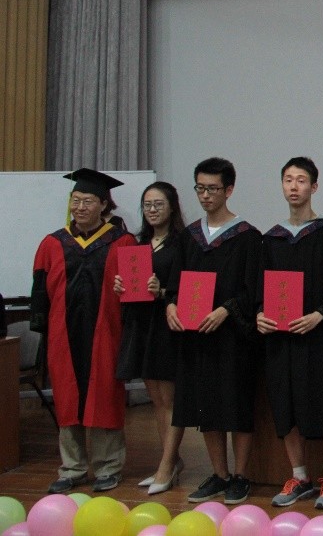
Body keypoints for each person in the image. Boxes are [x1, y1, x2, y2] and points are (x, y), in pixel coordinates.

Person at [257, 157, 323, 510]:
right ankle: (299, 476)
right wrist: (260, 315)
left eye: (301, 180)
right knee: (286, 404)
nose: (294, 186)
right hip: (282, 338)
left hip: (319, 337)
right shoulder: (272, 239)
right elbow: (260, 289)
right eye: (288, 180)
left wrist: (319, 316)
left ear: (314, 187)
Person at [31, 169, 136, 494]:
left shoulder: (123, 242)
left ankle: (108, 467)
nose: (79, 207)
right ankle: (72, 468)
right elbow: (40, 293)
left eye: (87, 201)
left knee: (104, 396)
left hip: (107, 334)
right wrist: (44, 333)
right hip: (63, 335)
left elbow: (134, 294)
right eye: (75, 200)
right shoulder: (52, 243)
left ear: (104, 204)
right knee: (67, 397)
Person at [166, 157, 261, 505]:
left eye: (213, 189)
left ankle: (241, 475)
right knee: (206, 406)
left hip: (233, 337)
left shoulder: (247, 237)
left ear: (229, 190)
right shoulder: (190, 237)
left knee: (236, 406)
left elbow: (254, 289)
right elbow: (175, 283)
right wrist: (171, 305)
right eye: (200, 188)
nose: (205, 195)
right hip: (198, 336)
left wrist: (226, 310)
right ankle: (219, 474)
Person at [113, 181, 188, 495]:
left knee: (170, 401)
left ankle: (166, 467)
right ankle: (171, 461)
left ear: (172, 207)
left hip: (167, 325)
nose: (152, 210)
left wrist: (164, 291)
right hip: (142, 325)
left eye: (159, 204)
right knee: (156, 400)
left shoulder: (183, 243)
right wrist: (121, 286)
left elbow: (188, 288)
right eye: (147, 205)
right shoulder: (138, 242)